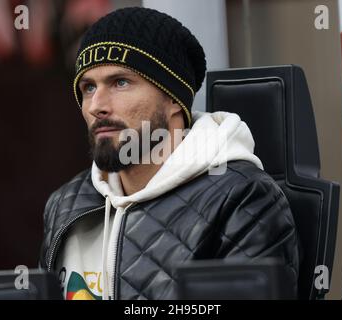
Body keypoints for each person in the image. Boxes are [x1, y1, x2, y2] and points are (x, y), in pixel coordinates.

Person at [39, 7, 300, 300]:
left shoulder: (244, 198)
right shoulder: (66, 203)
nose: (96, 105)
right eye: (88, 87)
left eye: (120, 82)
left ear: (174, 99)